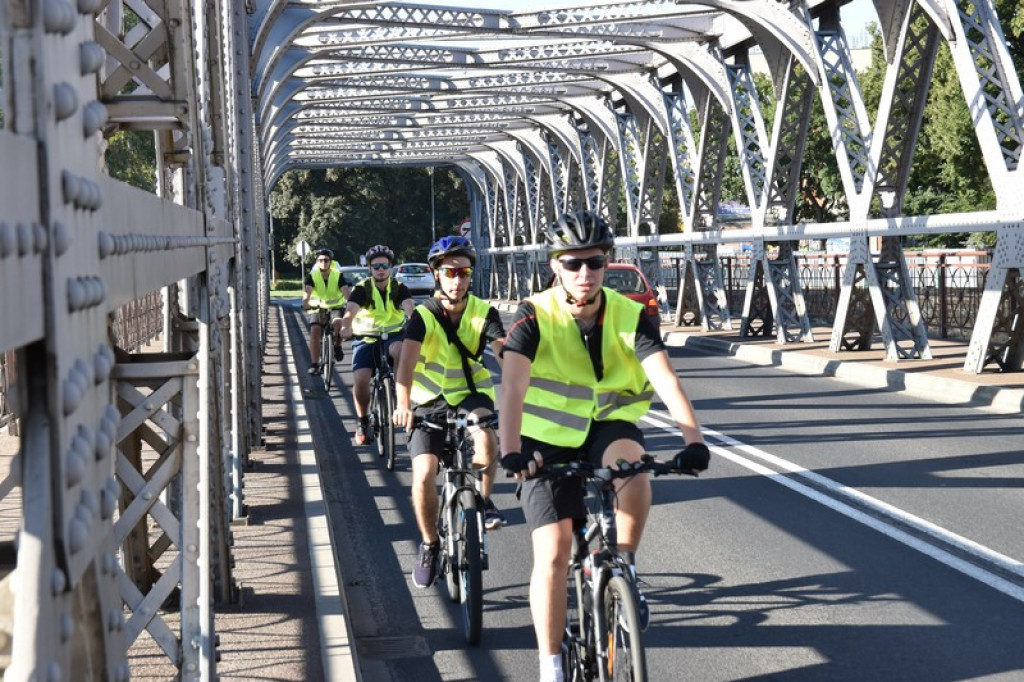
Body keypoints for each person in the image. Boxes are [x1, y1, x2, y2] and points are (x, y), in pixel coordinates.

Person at [498, 210, 710, 682]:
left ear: (607, 262)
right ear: (555, 265)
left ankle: (625, 571)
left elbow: (666, 379)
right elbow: (512, 388)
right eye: (572, 264)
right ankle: (550, 664)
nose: (584, 274)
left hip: (608, 427)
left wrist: (693, 440)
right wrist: (509, 450)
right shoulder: (534, 314)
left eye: (594, 263)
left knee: (634, 470)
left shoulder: (631, 315)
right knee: (552, 552)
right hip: (544, 439)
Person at [392, 236, 507, 588]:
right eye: (450, 272)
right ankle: (430, 544)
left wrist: (520, 374)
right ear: (436, 275)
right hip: (428, 401)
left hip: (471, 395)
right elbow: (406, 367)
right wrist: (402, 405)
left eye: (464, 272)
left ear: (471, 276)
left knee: (486, 441)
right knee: (424, 474)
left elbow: (503, 351)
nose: (458, 279)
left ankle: (483, 503)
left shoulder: (483, 312)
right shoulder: (423, 316)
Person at [339, 244, 416, 444]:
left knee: (400, 349)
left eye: (384, 265)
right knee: (361, 379)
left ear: (391, 267)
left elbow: (410, 309)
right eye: (376, 266)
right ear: (370, 269)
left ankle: (400, 399)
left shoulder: (399, 288)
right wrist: (346, 326)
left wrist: (417, 323)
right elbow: (350, 312)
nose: (380, 269)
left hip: (392, 335)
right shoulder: (362, 288)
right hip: (366, 338)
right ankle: (362, 421)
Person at [301, 248, 352, 375]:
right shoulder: (312, 276)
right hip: (317, 307)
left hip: (336, 306)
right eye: (320, 260)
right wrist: (305, 303)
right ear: (316, 262)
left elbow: (345, 291)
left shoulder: (337, 275)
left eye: (326, 260)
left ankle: (337, 346)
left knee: (337, 324)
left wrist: (351, 302)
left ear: (330, 262)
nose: (323, 262)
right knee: (315, 331)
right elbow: (307, 291)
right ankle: (314, 364)